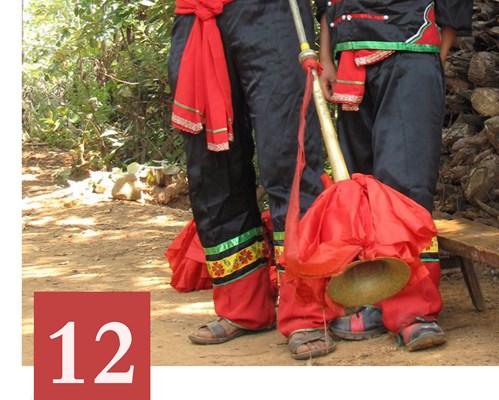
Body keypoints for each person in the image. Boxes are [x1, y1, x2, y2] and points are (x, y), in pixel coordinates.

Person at [167, 0, 342, 360]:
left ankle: (307, 311)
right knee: (212, 167)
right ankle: (241, 306)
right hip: (195, 16)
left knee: (288, 157)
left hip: (271, 15)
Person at [315, 0, 473, 351]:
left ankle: (414, 311)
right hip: (350, 59)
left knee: (406, 183)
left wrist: (433, 55)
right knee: (363, 184)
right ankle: (375, 301)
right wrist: (326, 58)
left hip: (410, 52)